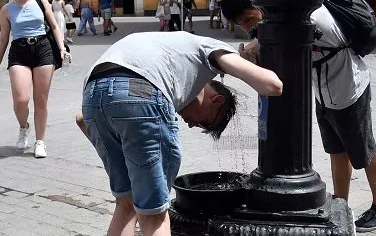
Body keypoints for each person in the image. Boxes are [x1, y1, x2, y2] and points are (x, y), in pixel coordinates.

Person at [220, 0, 376, 233]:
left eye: (247, 19)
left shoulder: (309, 17)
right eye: (241, 24)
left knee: (363, 150)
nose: (247, 28)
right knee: (337, 150)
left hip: (349, 89)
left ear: (260, 5)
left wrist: (260, 47)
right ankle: (341, 205)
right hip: (324, 93)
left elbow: (288, 44)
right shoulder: (281, 19)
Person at [79, 31, 283, 236]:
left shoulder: (174, 51)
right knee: (154, 216)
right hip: (141, 92)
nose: (191, 124)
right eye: (203, 122)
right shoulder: (209, 47)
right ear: (217, 100)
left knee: (125, 205)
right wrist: (249, 57)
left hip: (92, 94)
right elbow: (273, 85)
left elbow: (81, 120)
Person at [0, 0, 67, 158]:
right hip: (19, 52)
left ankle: (40, 141)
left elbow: (54, 26)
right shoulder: (6, 9)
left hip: (43, 49)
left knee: (41, 100)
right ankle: (24, 127)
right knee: (21, 100)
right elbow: (4, 38)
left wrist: (62, 48)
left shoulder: (41, 2)